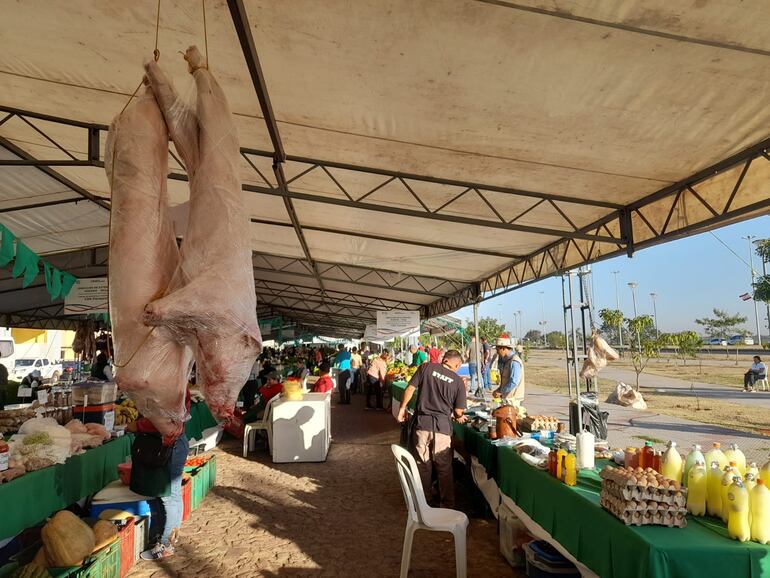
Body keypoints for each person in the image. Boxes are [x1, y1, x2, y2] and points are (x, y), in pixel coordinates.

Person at [397, 349, 467, 508]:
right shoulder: (457, 381)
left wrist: (402, 409)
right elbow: (457, 412)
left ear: (444, 359)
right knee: (444, 468)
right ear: (455, 363)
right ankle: (447, 505)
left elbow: (409, 388)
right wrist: (460, 416)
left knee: (423, 464)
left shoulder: (426, 367)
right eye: (458, 366)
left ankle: (423, 502)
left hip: (422, 425)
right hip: (442, 428)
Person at [130, 390, 190, 560]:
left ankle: (166, 545)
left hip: (170, 445)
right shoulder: (171, 382)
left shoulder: (174, 385)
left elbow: (169, 421)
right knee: (170, 496)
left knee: (170, 497)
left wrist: (139, 425)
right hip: (167, 444)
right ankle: (166, 539)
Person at [493, 337, 526, 403]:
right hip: (508, 398)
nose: (497, 352)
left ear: (503, 348)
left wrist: (501, 391)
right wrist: (498, 390)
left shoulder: (514, 361)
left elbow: (514, 382)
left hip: (514, 399)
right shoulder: (507, 360)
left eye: (497, 350)